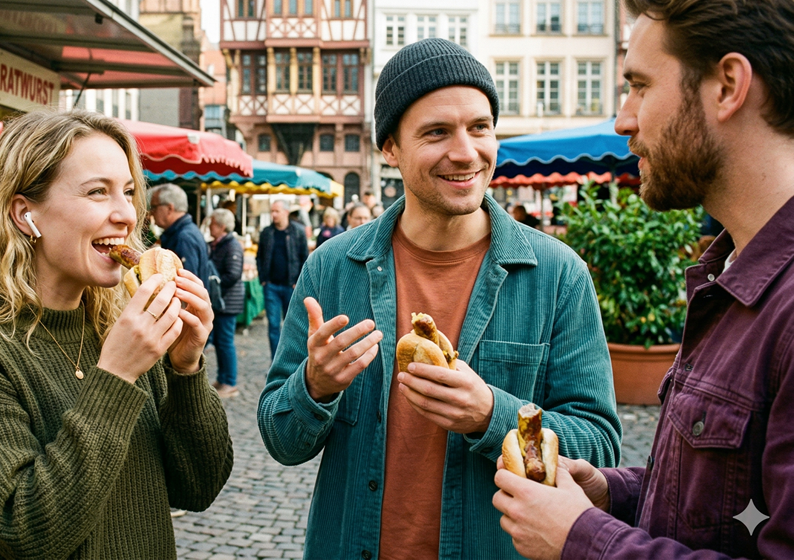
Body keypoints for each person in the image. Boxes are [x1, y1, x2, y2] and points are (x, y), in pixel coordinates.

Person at [257, 38, 620, 559]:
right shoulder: (333, 269)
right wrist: (314, 385)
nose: (466, 151)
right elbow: (281, 438)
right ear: (390, 148)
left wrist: (490, 413)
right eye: (436, 132)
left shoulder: (558, 275)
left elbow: (600, 447)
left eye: (479, 127)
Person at [493, 1, 794, 558]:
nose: (623, 119)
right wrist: (615, 493)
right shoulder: (731, 274)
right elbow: (733, 507)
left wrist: (580, 538)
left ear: (728, 86)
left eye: (639, 85)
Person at [0, 109, 233, 559]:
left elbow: (198, 486)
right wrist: (116, 376)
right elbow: (26, 531)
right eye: (97, 192)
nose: (126, 214)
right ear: (25, 214)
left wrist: (185, 368)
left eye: (127, 192)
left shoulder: (118, 326)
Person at [256, 200, 308, 359]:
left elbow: (304, 259)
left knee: (291, 326)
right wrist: (263, 278)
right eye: (272, 211)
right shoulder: (267, 232)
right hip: (271, 286)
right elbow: (260, 256)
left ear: (286, 212)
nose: (274, 214)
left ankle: (289, 361)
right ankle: (275, 362)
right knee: (273, 326)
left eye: (277, 211)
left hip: (290, 286)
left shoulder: (298, 232)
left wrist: (298, 282)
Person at [207, 209, 244, 398]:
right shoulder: (217, 245)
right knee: (221, 343)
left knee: (225, 342)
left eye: (212, 223)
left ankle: (230, 381)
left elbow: (233, 274)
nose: (209, 226)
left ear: (221, 226)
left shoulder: (232, 246)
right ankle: (222, 378)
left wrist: (215, 284)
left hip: (228, 301)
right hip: (221, 302)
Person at [149, 183, 210, 287]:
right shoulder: (186, 231)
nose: (151, 213)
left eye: (154, 207)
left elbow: (186, 284)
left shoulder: (184, 237)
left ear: (169, 208)